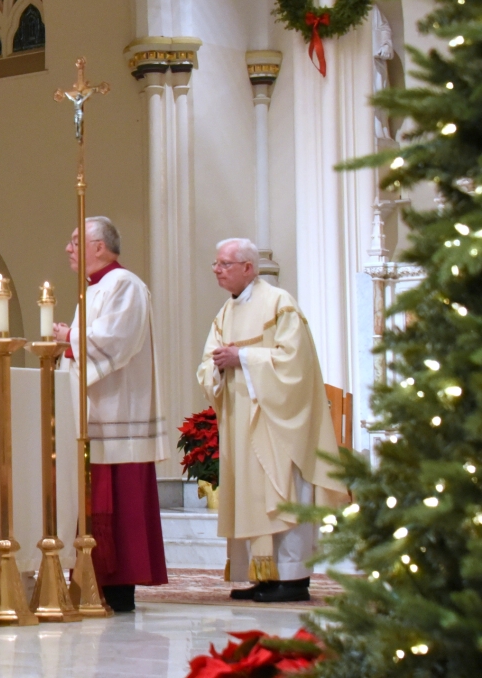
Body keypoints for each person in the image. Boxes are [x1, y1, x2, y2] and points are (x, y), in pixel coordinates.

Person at [196, 238, 347, 603]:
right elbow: (207, 363)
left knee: (283, 491)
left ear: (249, 267)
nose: (217, 269)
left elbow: (296, 364)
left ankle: (293, 578)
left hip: (279, 421)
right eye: (216, 263)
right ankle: (262, 576)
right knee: (252, 494)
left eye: (225, 264)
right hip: (241, 421)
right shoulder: (225, 314)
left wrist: (243, 358)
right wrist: (217, 367)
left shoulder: (280, 304)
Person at [52, 217, 167, 612]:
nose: (68, 249)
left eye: (74, 241)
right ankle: (93, 579)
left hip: (118, 412)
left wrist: (70, 338)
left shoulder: (124, 285)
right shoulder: (97, 289)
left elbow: (116, 342)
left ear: (98, 246)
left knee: (118, 501)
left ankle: (118, 586)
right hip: (97, 410)